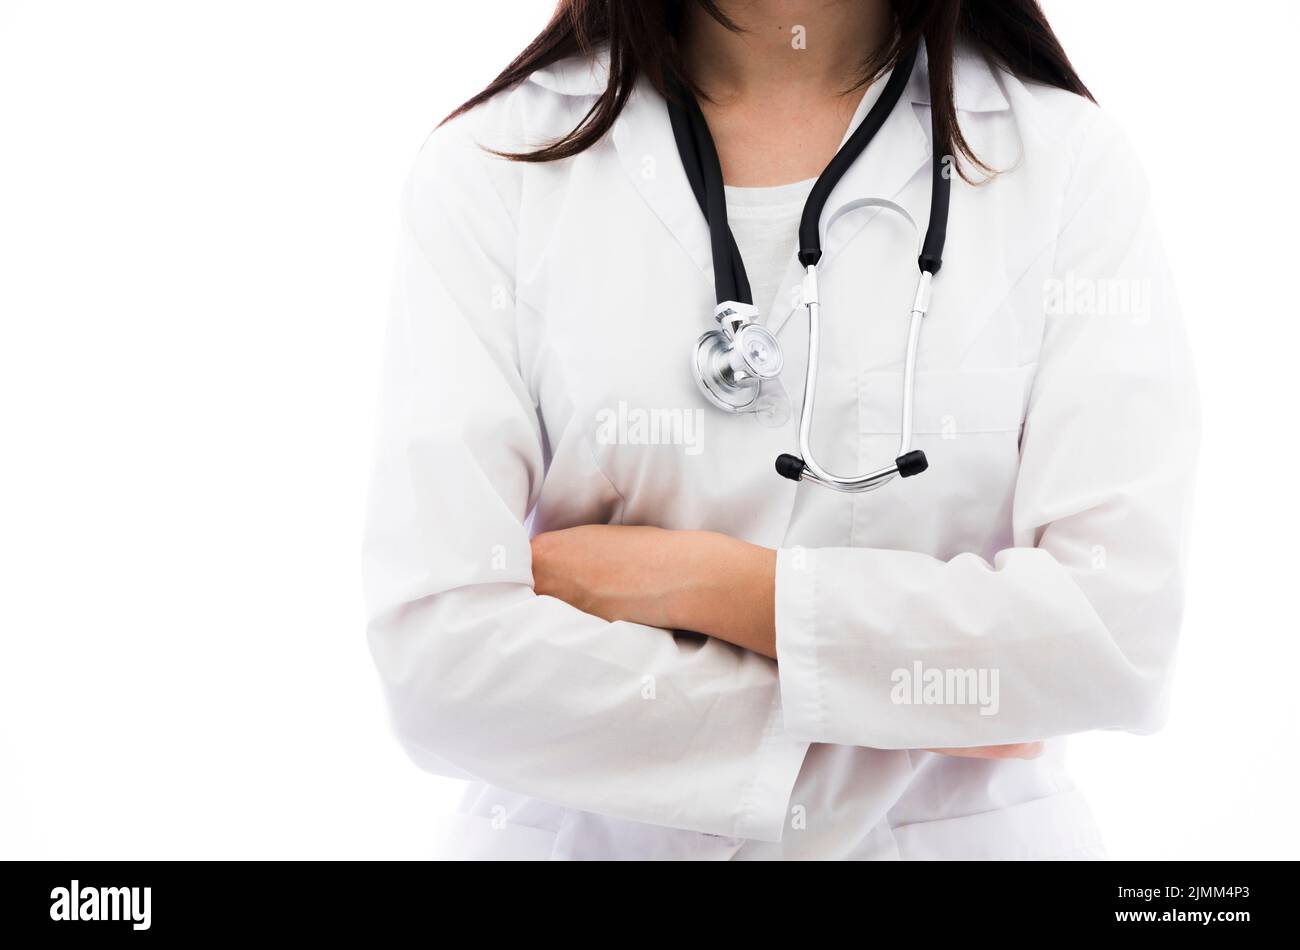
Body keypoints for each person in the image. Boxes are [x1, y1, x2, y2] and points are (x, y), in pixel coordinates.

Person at [363, 0, 1199, 859]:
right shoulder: (493, 168)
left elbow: (1112, 638)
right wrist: (946, 698)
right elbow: (438, 665)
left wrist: (707, 583)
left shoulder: (1064, 166)